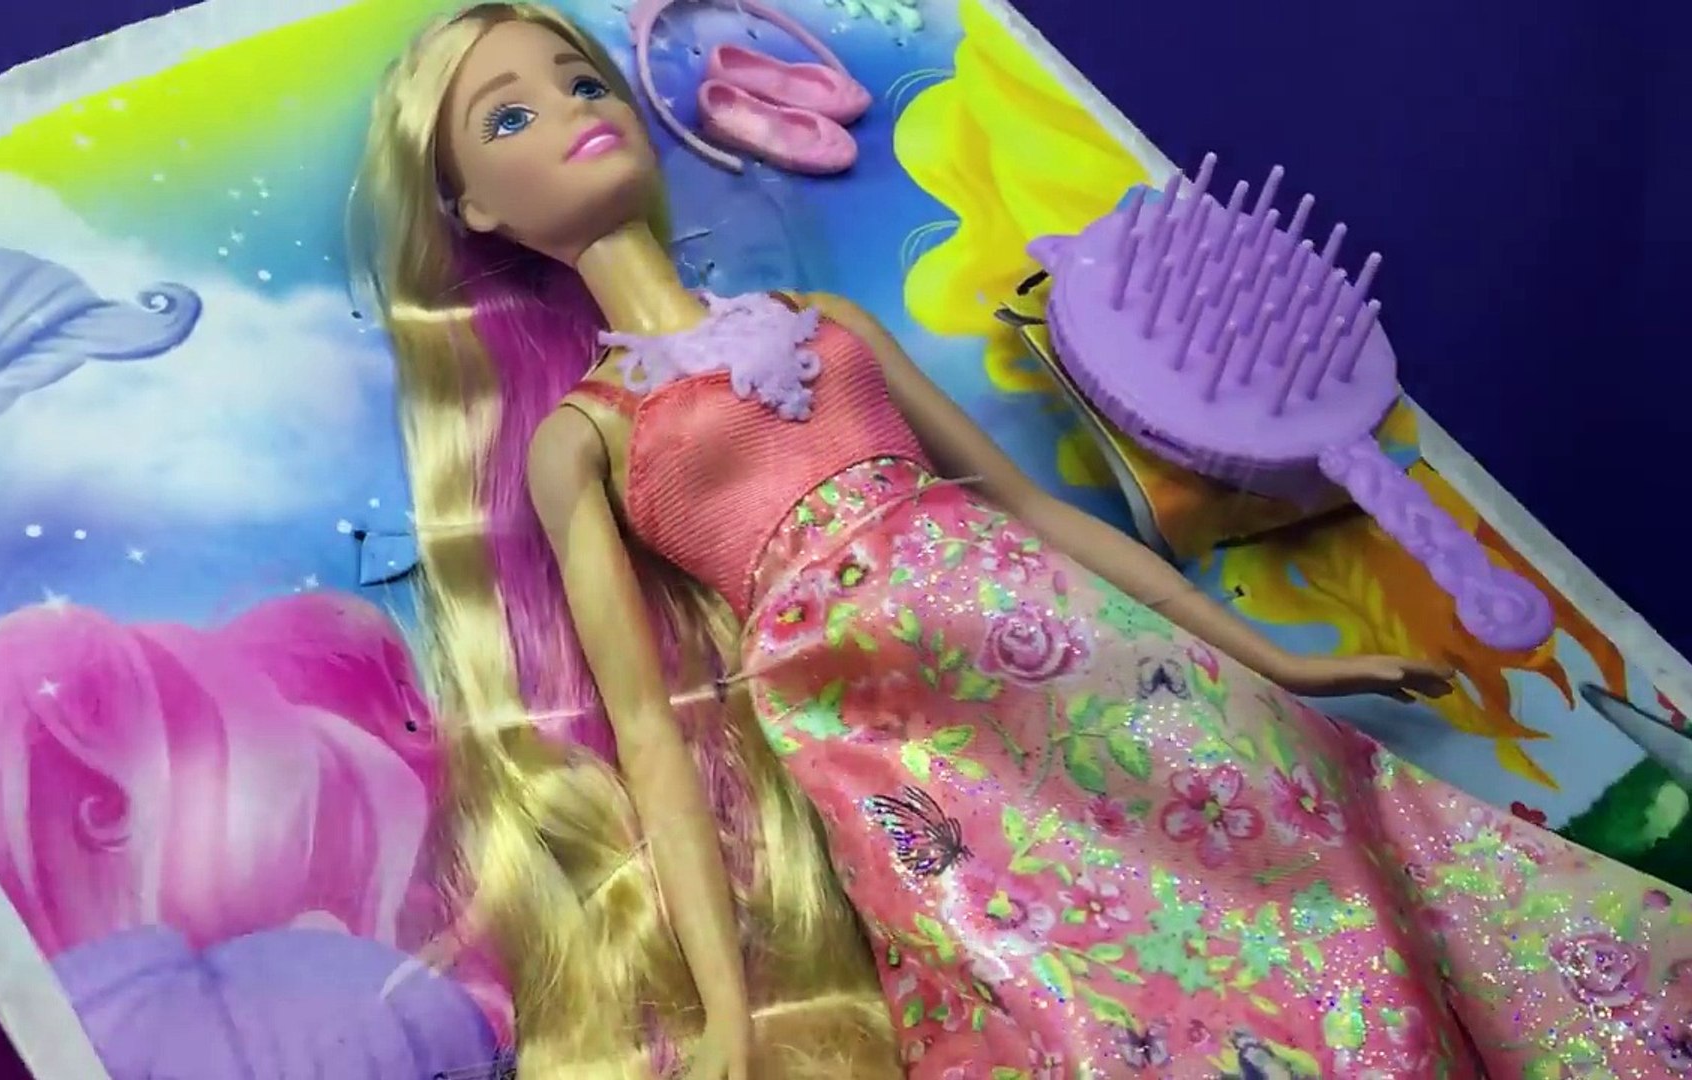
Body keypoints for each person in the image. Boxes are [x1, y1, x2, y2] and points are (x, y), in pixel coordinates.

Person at [360, 5, 1692, 1077]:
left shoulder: (828, 321)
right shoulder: (586, 436)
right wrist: (727, 1015)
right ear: (477, 214)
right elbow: (652, 733)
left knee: (1309, 866)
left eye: (581, 81)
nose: (574, 113)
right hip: (891, 739)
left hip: (1084, 654)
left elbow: (1033, 509)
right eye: (510, 118)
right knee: (1058, 994)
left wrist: (1279, 662)